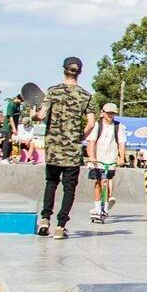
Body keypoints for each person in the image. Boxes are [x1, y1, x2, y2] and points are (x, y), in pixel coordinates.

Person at [38, 57, 94, 239]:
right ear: (80, 72)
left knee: (51, 183)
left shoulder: (53, 92)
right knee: (69, 188)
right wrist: (79, 137)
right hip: (73, 149)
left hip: (54, 147)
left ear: (64, 70)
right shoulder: (86, 95)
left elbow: (41, 115)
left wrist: (33, 115)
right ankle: (60, 227)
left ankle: (45, 219)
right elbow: (92, 123)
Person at [85, 102, 127, 223]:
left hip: (111, 158)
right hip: (98, 159)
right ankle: (98, 208)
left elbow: (121, 143)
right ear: (103, 113)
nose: (110, 115)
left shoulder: (119, 127)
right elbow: (91, 142)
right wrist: (92, 156)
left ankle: (106, 206)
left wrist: (121, 158)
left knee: (106, 181)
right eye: (108, 113)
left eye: (112, 113)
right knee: (98, 182)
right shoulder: (97, 126)